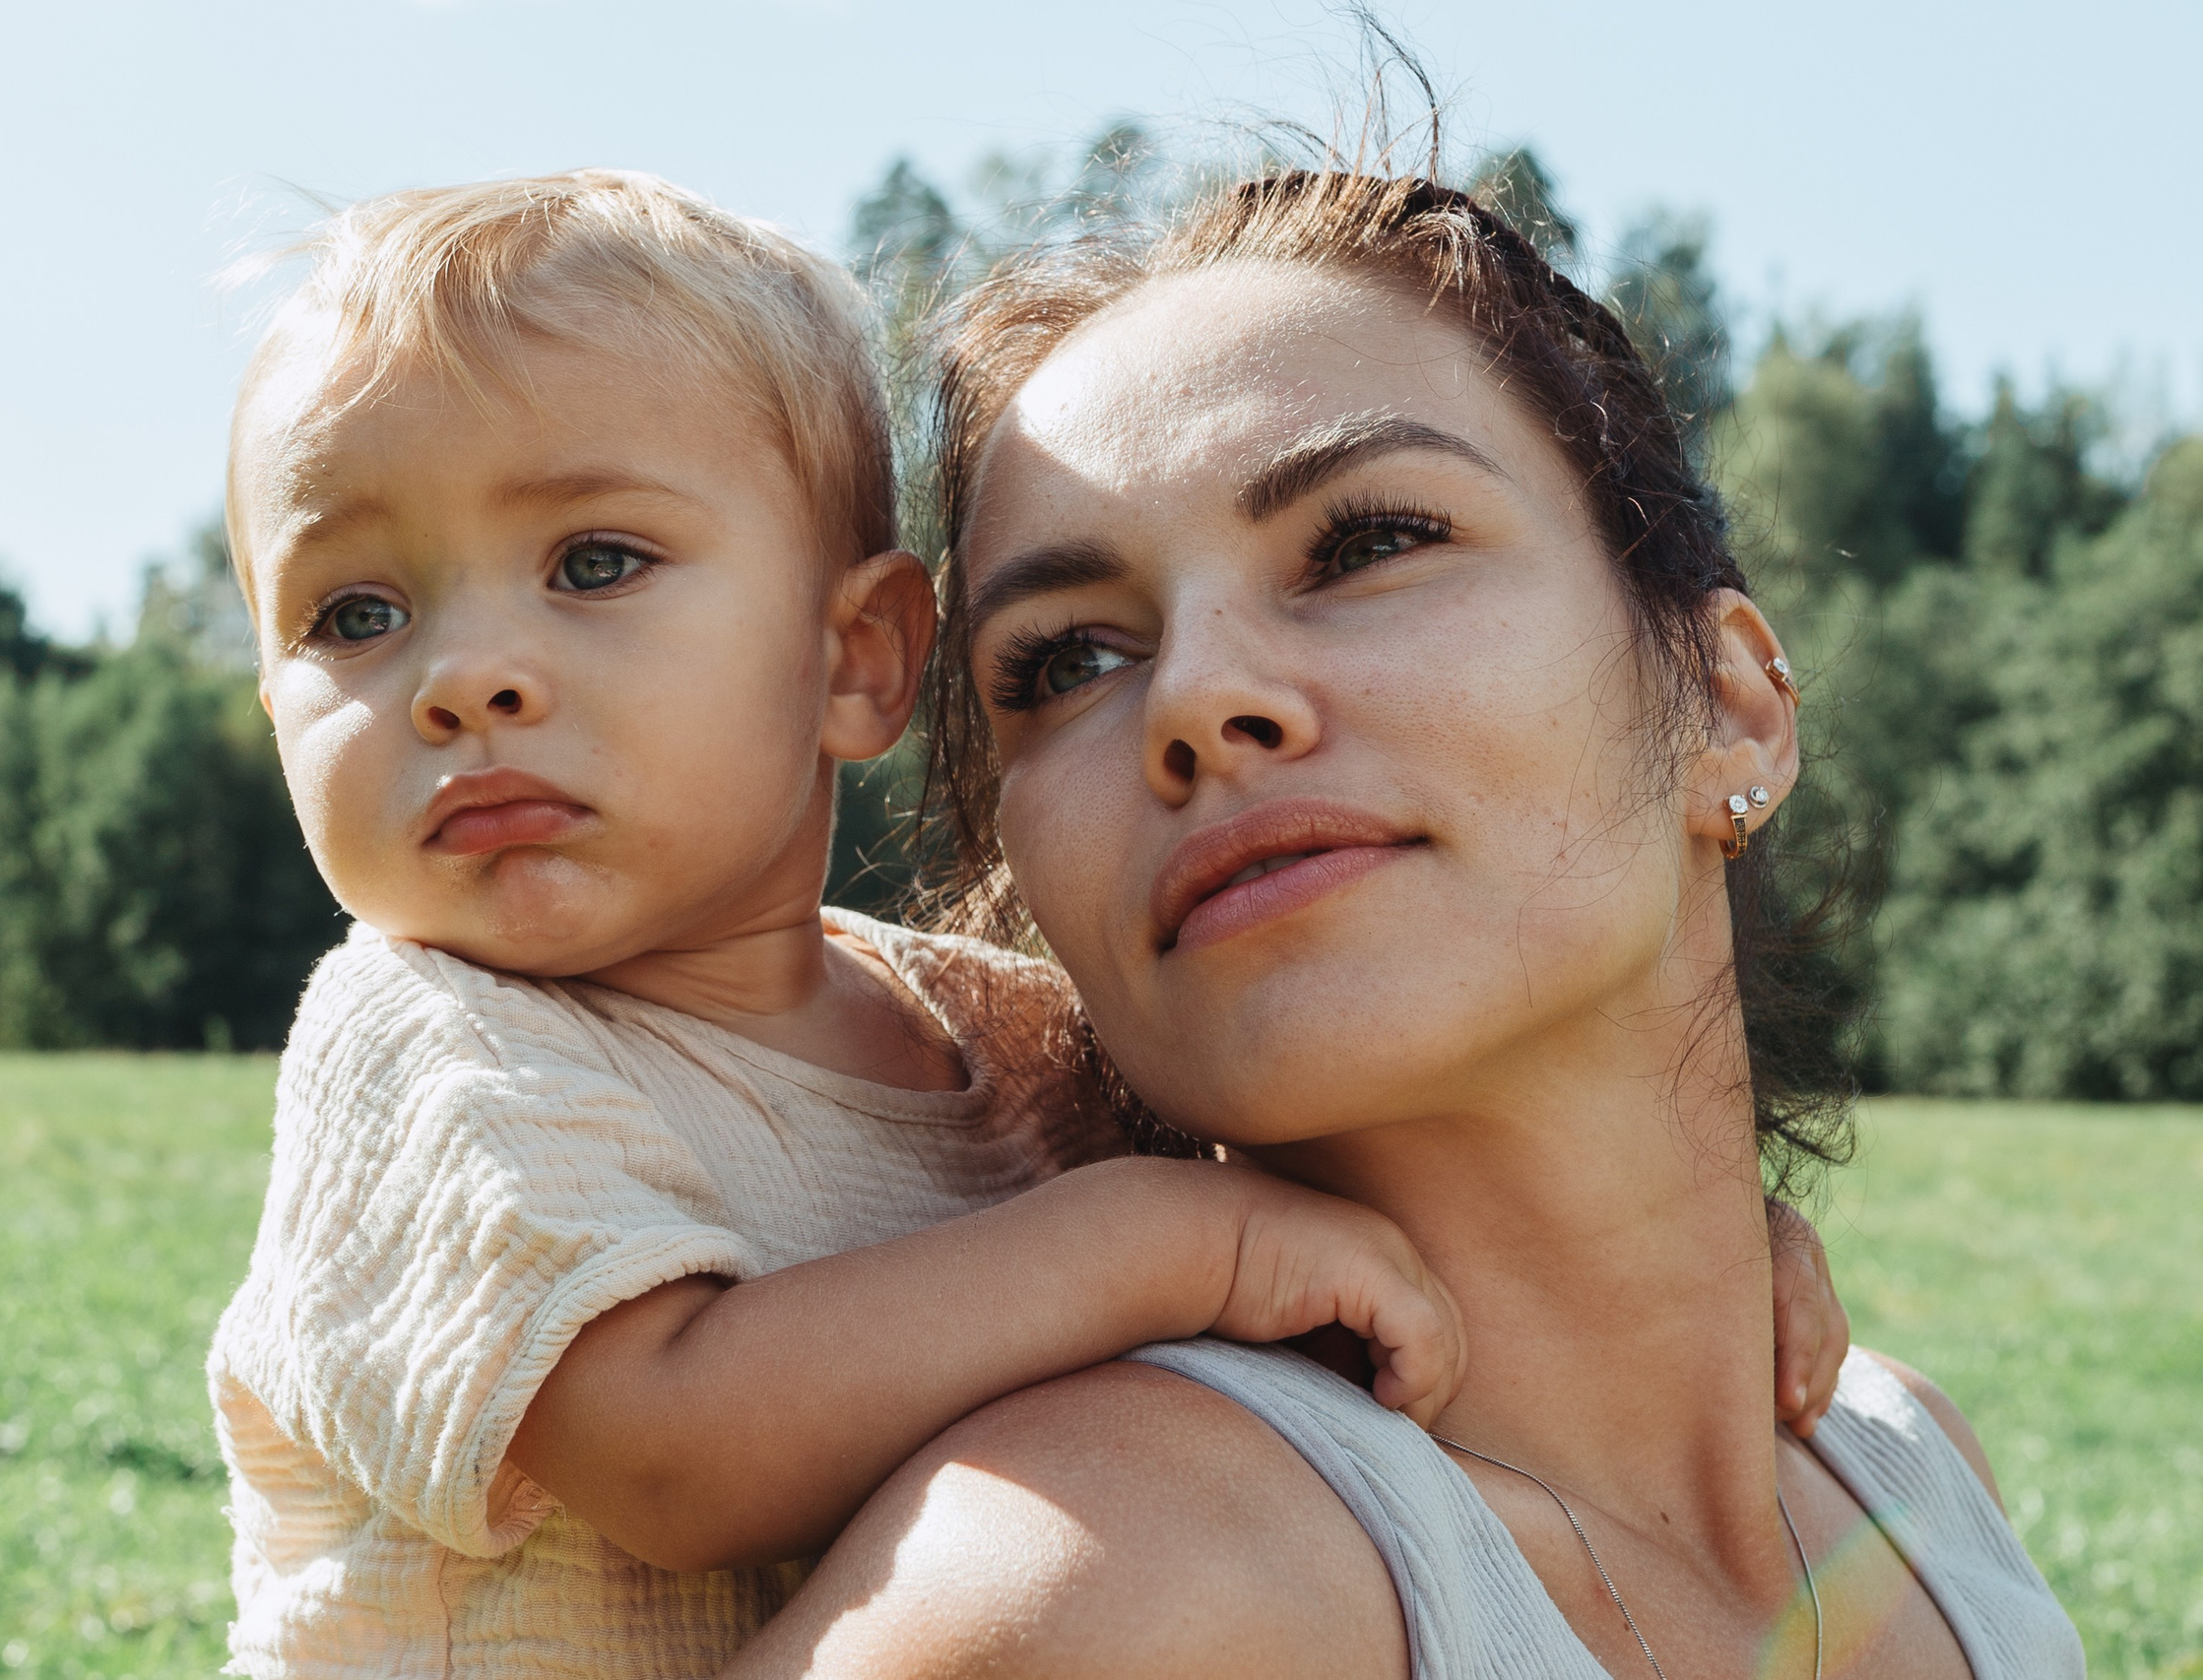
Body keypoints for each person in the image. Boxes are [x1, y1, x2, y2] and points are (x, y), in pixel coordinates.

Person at [204, 167, 1846, 1678]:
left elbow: (1330, 1231)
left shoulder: (995, 1037)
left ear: (858, 659)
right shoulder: (426, 1044)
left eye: (593, 561)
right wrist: (1170, 1242)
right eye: (353, 612)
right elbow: (671, 1451)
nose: (463, 679)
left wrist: (1688, 1277)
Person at [724, 168, 2084, 1678]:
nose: (1196, 696)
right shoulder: (1111, 1582)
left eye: (1366, 542)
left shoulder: (1913, 1474)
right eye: (1065, 661)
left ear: (1728, 705)